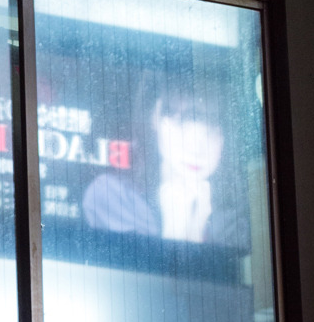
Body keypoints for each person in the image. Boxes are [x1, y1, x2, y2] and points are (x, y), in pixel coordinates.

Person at [82, 84, 247, 247]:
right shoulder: (111, 196)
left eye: (212, 131)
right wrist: (175, 228)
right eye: (182, 125)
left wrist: (195, 229)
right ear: (155, 116)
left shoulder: (237, 216)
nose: (197, 150)